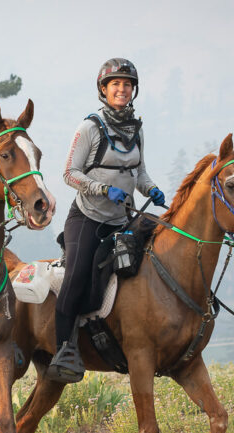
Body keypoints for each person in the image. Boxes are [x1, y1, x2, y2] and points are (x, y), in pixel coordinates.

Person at [47, 58, 165, 383]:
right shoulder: (90, 127)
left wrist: (151, 189)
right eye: (115, 84)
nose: (122, 89)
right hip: (87, 219)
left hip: (121, 220)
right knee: (76, 278)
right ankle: (64, 350)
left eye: (127, 84)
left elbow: (139, 173)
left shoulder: (135, 130)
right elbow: (69, 173)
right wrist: (101, 188)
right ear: (103, 89)